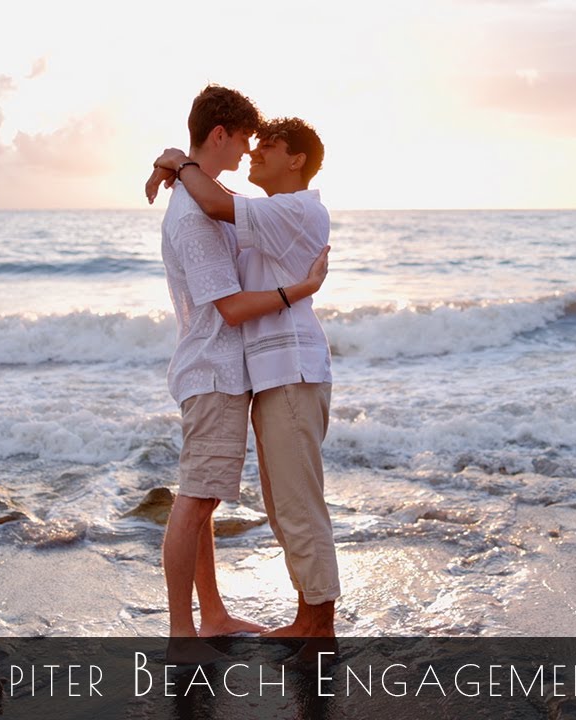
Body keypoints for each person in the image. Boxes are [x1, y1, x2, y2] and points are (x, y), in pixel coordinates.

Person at [146, 116, 340, 637]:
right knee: (284, 505)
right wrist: (174, 159)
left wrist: (179, 162)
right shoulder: (269, 212)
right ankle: (307, 615)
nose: (253, 155)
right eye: (250, 146)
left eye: (268, 148)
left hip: (292, 370)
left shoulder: (297, 210)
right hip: (272, 374)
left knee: (298, 504)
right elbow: (214, 195)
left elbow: (213, 201)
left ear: (296, 160)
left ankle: (317, 622)